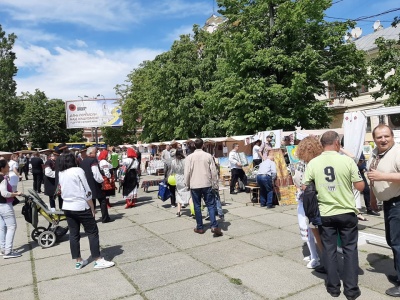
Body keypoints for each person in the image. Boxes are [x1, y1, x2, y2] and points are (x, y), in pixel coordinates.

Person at [303, 130, 364, 300]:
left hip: (325, 213)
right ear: (337, 143)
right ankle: (351, 290)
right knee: (350, 250)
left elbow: (304, 187)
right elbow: (360, 186)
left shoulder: (313, 163)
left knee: (329, 250)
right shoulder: (347, 161)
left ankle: (333, 288)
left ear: (322, 144)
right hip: (346, 211)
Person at [58, 153, 114, 270]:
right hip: (80, 206)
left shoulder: (61, 173)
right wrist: (92, 207)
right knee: (92, 231)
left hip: (67, 206)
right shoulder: (77, 170)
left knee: (74, 234)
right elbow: (86, 190)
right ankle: (97, 259)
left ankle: (78, 260)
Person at [366, 124, 400, 297]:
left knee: (398, 243)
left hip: (398, 203)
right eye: (379, 137)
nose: (383, 139)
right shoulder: (375, 153)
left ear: (392, 136)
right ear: (375, 139)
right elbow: (372, 176)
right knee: (392, 240)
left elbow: (379, 176)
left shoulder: (397, 152)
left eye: (386, 136)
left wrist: (383, 177)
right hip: (388, 204)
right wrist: (372, 197)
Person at [293, 136, 323, 269]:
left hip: (311, 200)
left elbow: (301, 180)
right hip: (308, 198)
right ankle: (315, 255)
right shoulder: (306, 162)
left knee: (312, 228)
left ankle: (320, 258)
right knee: (310, 229)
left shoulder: (313, 163)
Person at [184, 138, 222, 237]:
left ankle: (200, 227)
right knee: (210, 205)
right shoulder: (208, 156)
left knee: (197, 206)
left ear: (194, 146)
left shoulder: (189, 157)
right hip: (207, 183)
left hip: (195, 184)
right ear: (203, 145)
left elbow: (187, 173)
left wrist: (187, 184)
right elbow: (213, 171)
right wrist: (215, 184)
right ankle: (214, 225)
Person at [80, 147, 111, 223]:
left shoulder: (83, 161)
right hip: (95, 184)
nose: (97, 153)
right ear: (90, 153)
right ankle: (105, 218)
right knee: (102, 200)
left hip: (87, 184)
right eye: (95, 152)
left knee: (91, 201)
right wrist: (101, 181)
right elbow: (96, 173)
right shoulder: (93, 160)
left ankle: (91, 218)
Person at [0, 159, 23, 258]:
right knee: (11, 227)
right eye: (7, 166)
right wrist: (15, 194)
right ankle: (8, 251)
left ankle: (3, 248)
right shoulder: (2, 179)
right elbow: (4, 193)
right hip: (4, 205)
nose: (9, 167)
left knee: (2, 227)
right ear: (2, 168)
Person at [171, 149, 190, 216]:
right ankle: (193, 210)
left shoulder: (173, 161)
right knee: (188, 194)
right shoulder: (185, 160)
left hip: (177, 178)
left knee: (178, 193)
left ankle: (178, 211)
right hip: (184, 177)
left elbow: (172, 171)